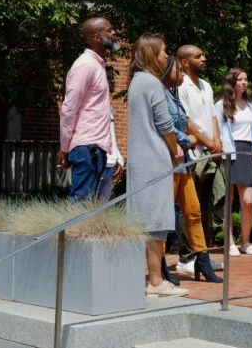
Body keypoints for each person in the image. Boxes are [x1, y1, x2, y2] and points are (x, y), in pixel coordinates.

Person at [126, 33, 189, 297]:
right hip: (155, 159)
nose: (166, 57)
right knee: (156, 222)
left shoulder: (135, 82)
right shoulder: (152, 83)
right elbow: (165, 123)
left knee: (141, 221)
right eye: (163, 52)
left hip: (138, 160)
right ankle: (155, 281)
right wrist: (175, 147)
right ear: (152, 54)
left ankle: (143, 278)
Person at [161, 54, 222, 283]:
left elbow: (184, 121)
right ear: (169, 72)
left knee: (194, 211)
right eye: (179, 70)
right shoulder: (161, 93)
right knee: (165, 215)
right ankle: (161, 267)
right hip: (169, 161)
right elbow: (164, 124)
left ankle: (203, 262)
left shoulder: (174, 94)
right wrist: (187, 140)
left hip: (183, 162)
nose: (182, 75)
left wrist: (196, 139)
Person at [176, 45, 225, 275]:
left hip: (211, 153)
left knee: (206, 205)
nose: (203, 58)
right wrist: (206, 140)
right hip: (194, 154)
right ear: (185, 62)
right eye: (198, 56)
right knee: (190, 207)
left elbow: (213, 117)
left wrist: (217, 140)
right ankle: (186, 257)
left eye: (203, 54)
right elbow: (186, 121)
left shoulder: (206, 86)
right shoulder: (181, 86)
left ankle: (202, 255)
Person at [58, 17, 118, 203]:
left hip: (96, 148)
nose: (114, 34)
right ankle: (72, 234)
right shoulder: (85, 65)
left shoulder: (98, 66)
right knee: (81, 204)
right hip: (86, 147)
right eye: (109, 30)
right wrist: (65, 148)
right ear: (96, 37)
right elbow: (69, 108)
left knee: (89, 207)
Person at [214, 68, 252, 256]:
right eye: (240, 79)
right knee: (228, 200)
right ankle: (229, 243)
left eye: (246, 79)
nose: (244, 83)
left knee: (248, 201)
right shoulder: (220, 105)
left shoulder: (251, 104)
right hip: (228, 151)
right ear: (232, 82)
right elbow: (217, 131)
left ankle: (246, 241)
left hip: (247, 152)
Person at [96, 66, 124, 201]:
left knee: (101, 210)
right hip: (98, 164)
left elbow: (111, 134)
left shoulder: (109, 106)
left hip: (110, 165)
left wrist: (118, 157)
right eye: (108, 78)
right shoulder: (93, 106)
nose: (113, 82)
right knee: (88, 209)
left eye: (112, 78)